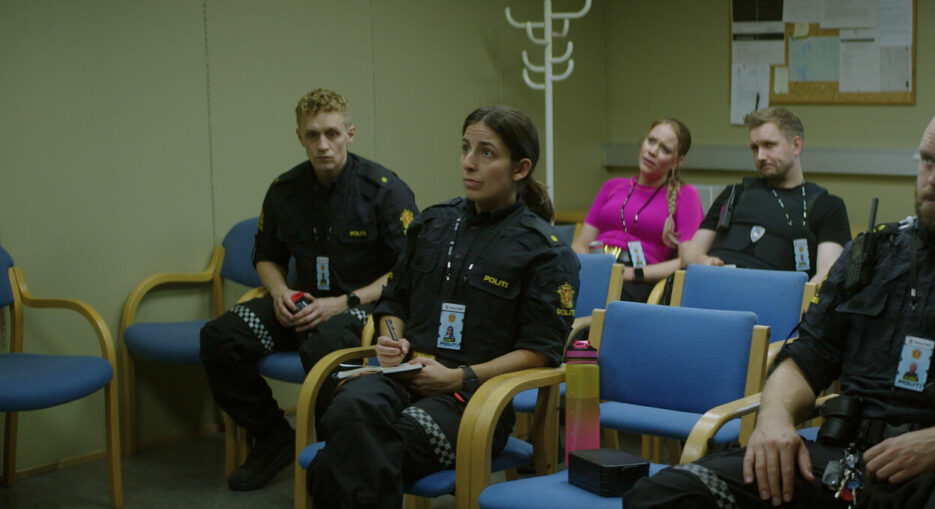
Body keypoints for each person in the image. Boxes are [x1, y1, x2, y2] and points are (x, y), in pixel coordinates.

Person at [625, 98, 935, 509]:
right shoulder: (872, 255)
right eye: (927, 160)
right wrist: (773, 419)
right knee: (664, 495)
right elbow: (804, 357)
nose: (934, 180)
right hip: (843, 460)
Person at [306, 105, 580, 507]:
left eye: (487, 153)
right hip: (405, 375)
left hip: (474, 398)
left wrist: (459, 377)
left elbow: (541, 351)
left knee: (347, 457)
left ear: (520, 169)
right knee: (347, 408)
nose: (469, 162)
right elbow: (394, 300)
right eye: (466, 148)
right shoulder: (432, 224)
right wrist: (392, 341)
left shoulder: (545, 251)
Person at [199, 88, 418, 491]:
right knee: (221, 338)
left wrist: (344, 301)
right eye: (313, 135)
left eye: (332, 134)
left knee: (324, 346)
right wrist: (279, 292)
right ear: (299, 136)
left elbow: (406, 272)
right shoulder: (284, 190)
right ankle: (272, 438)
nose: (323, 145)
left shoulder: (384, 190)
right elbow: (266, 256)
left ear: (350, 134)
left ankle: (334, 459)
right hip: (301, 305)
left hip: (363, 306)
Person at [680, 107, 850, 285]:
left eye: (769, 145)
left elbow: (827, 275)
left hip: (777, 295)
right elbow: (691, 253)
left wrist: (798, 299)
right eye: (755, 148)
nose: (760, 156)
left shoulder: (827, 206)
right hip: (714, 286)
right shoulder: (734, 193)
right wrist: (702, 261)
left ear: (796, 145)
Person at [571, 118, 704, 302]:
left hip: (638, 280)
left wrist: (634, 273)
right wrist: (589, 269)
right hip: (596, 268)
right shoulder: (612, 186)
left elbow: (686, 261)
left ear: (677, 162)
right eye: (651, 141)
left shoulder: (686, 194)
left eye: (665, 150)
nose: (652, 151)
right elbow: (580, 244)